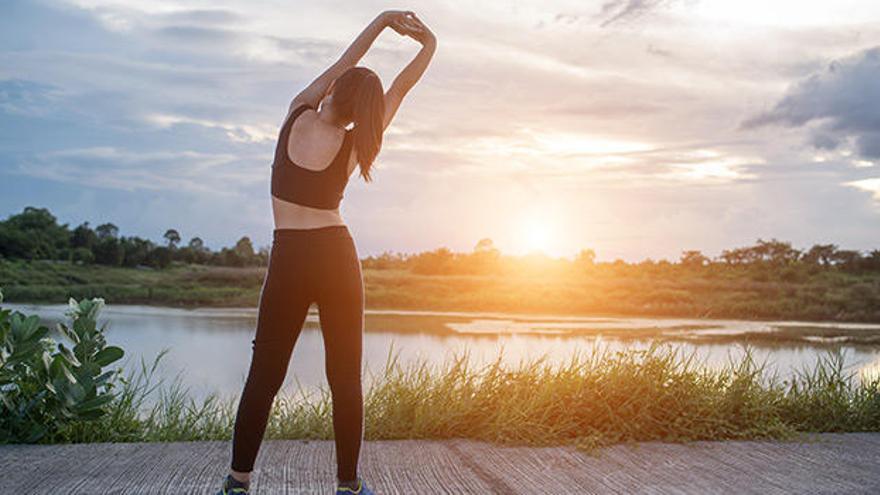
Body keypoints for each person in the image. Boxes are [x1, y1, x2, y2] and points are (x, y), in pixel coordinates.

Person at [215, 10, 436, 495]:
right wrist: (428, 47)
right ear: (364, 112)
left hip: (290, 256)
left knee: (264, 376)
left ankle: (237, 482)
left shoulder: (297, 112)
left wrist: (381, 23)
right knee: (344, 378)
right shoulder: (358, 142)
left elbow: (345, 60)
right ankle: (348, 487)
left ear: (335, 90)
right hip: (337, 256)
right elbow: (398, 92)